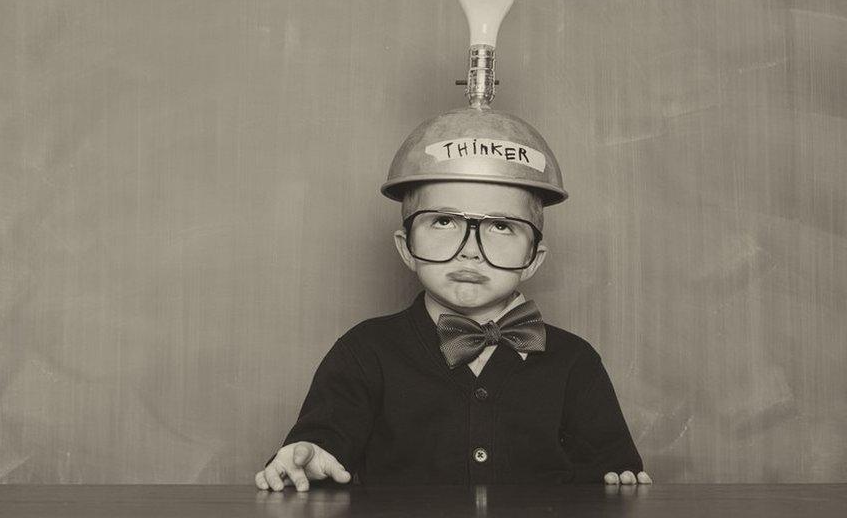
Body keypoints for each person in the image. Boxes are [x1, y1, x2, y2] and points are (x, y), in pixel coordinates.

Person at [254, 101, 653, 491]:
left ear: (533, 258)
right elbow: (320, 450)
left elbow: (611, 477)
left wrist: (621, 484)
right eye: (444, 221)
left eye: (500, 226)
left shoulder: (575, 362)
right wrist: (305, 458)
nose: (470, 248)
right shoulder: (363, 352)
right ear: (406, 246)